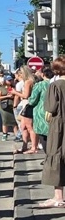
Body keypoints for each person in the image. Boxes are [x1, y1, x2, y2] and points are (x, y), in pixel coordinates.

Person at [41, 57, 65, 208]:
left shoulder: (55, 86)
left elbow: (50, 109)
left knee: (56, 156)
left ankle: (58, 197)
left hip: (59, 126)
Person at [14, 66, 39, 154]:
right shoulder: (30, 81)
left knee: (29, 127)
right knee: (23, 127)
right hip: (26, 105)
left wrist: (15, 92)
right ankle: (24, 147)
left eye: (20, 73)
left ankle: (33, 147)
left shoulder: (28, 82)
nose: (19, 75)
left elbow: (25, 95)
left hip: (28, 104)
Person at [0, 76, 18, 145]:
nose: (10, 81)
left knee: (14, 121)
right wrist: (7, 96)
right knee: (5, 120)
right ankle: (5, 134)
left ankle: (17, 135)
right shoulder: (1, 88)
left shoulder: (14, 87)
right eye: (9, 80)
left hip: (12, 106)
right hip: (4, 107)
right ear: (5, 81)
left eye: (11, 80)